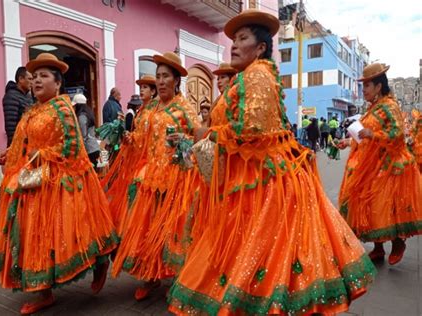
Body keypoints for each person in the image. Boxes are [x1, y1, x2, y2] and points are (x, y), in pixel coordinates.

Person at [168, 10, 375, 315]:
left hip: (263, 186)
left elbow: (254, 130)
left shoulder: (257, 75)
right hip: (249, 181)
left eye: (242, 39)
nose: (234, 46)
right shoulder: (249, 76)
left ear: (261, 47)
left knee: (263, 258)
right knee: (252, 258)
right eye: (233, 41)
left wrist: (206, 132)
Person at [0, 53, 118, 314]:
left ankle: (100, 262)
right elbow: (20, 144)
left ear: (57, 83)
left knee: (73, 234)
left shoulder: (62, 109)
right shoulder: (31, 110)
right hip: (31, 183)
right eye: (34, 77)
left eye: (44, 76)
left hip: (58, 182)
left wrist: (44, 159)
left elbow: (72, 148)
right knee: (33, 237)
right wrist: (8, 154)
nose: (37, 81)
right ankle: (43, 293)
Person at [110, 51, 200, 301]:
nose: (160, 81)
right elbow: (144, 140)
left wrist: (185, 138)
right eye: (158, 76)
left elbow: (199, 136)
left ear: (176, 81)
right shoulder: (151, 109)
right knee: (148, 228)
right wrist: (130, 139)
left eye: (165, 76)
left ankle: (182, 278)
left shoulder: (185, 107)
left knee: (175, 231)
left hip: (177, 178)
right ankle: (150, 275)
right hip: (151, 178)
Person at [338, 63, 422, 265]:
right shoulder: (372, 108)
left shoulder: (390, 106)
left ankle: (397, 242)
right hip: (370, 165)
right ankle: (378, 248)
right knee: (367, 206)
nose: (364, 90)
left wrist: (372, 134)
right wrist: (349, 141)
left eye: (367, 86)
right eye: (363, 86)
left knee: (383, 207)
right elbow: (364, 136)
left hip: (388, 167)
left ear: (378, 86)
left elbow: (397, 135)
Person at [101, 74, 157, 230]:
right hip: (136, 156)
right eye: (141, 87)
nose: (141, 90)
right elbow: (138, 132)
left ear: (153, 91)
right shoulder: (142, 111)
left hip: (147, 160)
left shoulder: (153, 110)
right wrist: (128, 136)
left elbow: (149, 135)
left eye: (145, 87)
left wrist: (133, 137)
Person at [2, 66, 33, 147]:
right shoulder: (11, 96)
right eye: (30, 79)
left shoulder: (29, 96)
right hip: (17, 145)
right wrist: (15, 147)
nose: (32, 82)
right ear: (21, 79)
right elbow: (11, 127)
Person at [72, 93, 101, 167]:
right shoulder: (89, 113)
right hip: (94, 148)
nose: (74, 108)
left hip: (89, 150)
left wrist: (79, 151)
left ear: (78, 105)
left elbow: (83, 135)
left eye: (75, 106)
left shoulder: (82, 116)